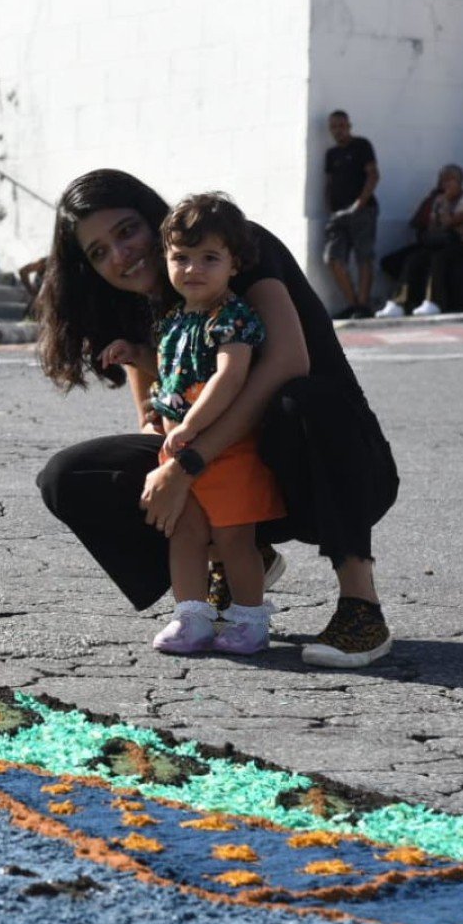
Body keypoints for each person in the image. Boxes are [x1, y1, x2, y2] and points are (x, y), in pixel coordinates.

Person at [35, 170, 398, 668]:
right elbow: (155, 399)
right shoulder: (151, 293)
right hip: (220, 470)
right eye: (98, 252)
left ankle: (361, 604)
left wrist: (188, 464)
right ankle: (237, 554)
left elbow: (289, 361)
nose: (119, 255)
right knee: (70, 477)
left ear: (153, 217)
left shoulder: (235, 247)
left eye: (125, 231)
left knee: (304, 400)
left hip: (327, 468)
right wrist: (161, 463)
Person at [93, 194, 285, 656]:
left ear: (233, 264)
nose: (193, 269)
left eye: (209, 259)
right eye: (181, 258)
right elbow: (173, 372)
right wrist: (134, 354)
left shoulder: (232, 316)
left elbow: (229, 376)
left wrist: (190, 425)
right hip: (181, 441)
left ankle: (250, 620)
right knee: (185, 532)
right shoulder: (177, 319)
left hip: (225, 447)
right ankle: (191, 615)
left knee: (235, 537)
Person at [373, 164, 463, 317]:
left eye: (451, 180)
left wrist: (444, 204)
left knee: (438, 258)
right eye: (443, 180)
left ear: (460, 181)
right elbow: (432, 227)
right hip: (444, 242)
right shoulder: (438, 200)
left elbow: (449, 222)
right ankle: (399, 302)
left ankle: (434, 302)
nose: (446, 184)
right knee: (414, 259)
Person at [321, 110, 379, 319]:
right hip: (338, 214)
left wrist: (359, 204)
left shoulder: (362, 145)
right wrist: (330, 210)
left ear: (349, 125)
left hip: (362, 210)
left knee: (364, 256)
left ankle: (363, 305)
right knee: (333, 258)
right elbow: (328, 184)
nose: (338, 130)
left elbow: (373, 175)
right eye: (334, 127)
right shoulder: (331, 154)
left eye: (341, 126)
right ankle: (353, 303)